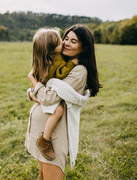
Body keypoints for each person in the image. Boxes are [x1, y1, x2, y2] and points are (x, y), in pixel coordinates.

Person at [25, 24, 102, 180]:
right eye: (66, 38)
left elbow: (48, 98)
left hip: (54, 136)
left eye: (73, 41)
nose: (66, 43)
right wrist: (32, 93)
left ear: (84, 47)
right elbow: (43, 90)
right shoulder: (56, 62)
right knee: (42, 175)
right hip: (40, 128)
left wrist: (32, 80)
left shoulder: (79, 71)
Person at [27, 28, 78, 161]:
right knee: (59, 110)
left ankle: (45, 138)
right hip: (47, 93)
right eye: (59, 42)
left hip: (43, 91)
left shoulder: (44, 59)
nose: (63, 42)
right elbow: (61, 73)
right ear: (51, 49)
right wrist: (72, 63)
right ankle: (45, 140)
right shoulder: (55, 60)